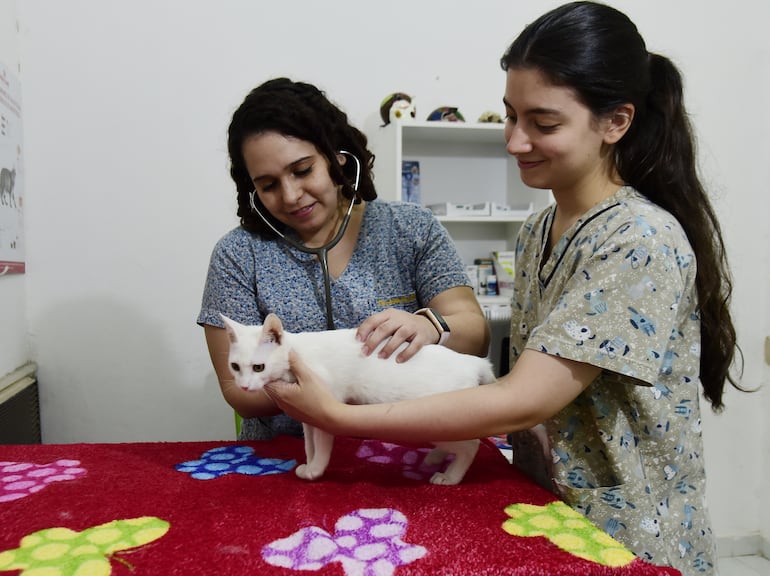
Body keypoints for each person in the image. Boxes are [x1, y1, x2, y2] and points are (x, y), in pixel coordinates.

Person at [264, 3, 743, 574]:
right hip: (552, 513)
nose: (515, 142)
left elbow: (523, 397)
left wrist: (344, 418)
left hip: (628, 535)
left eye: (543, 124)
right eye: (510, 117)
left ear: (615, 122)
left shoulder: (638, 239)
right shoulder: (540, 229)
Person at [198, 77, 490, 442]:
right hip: (285, 459)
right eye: (269, 185)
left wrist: (433, 326)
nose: (290, 196)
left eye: (303, 170)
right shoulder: (237, 255)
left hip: (404, 448)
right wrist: (337, 380)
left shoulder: (412, 228)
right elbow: (239, 393)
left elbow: (475, 336)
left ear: (337, 157)